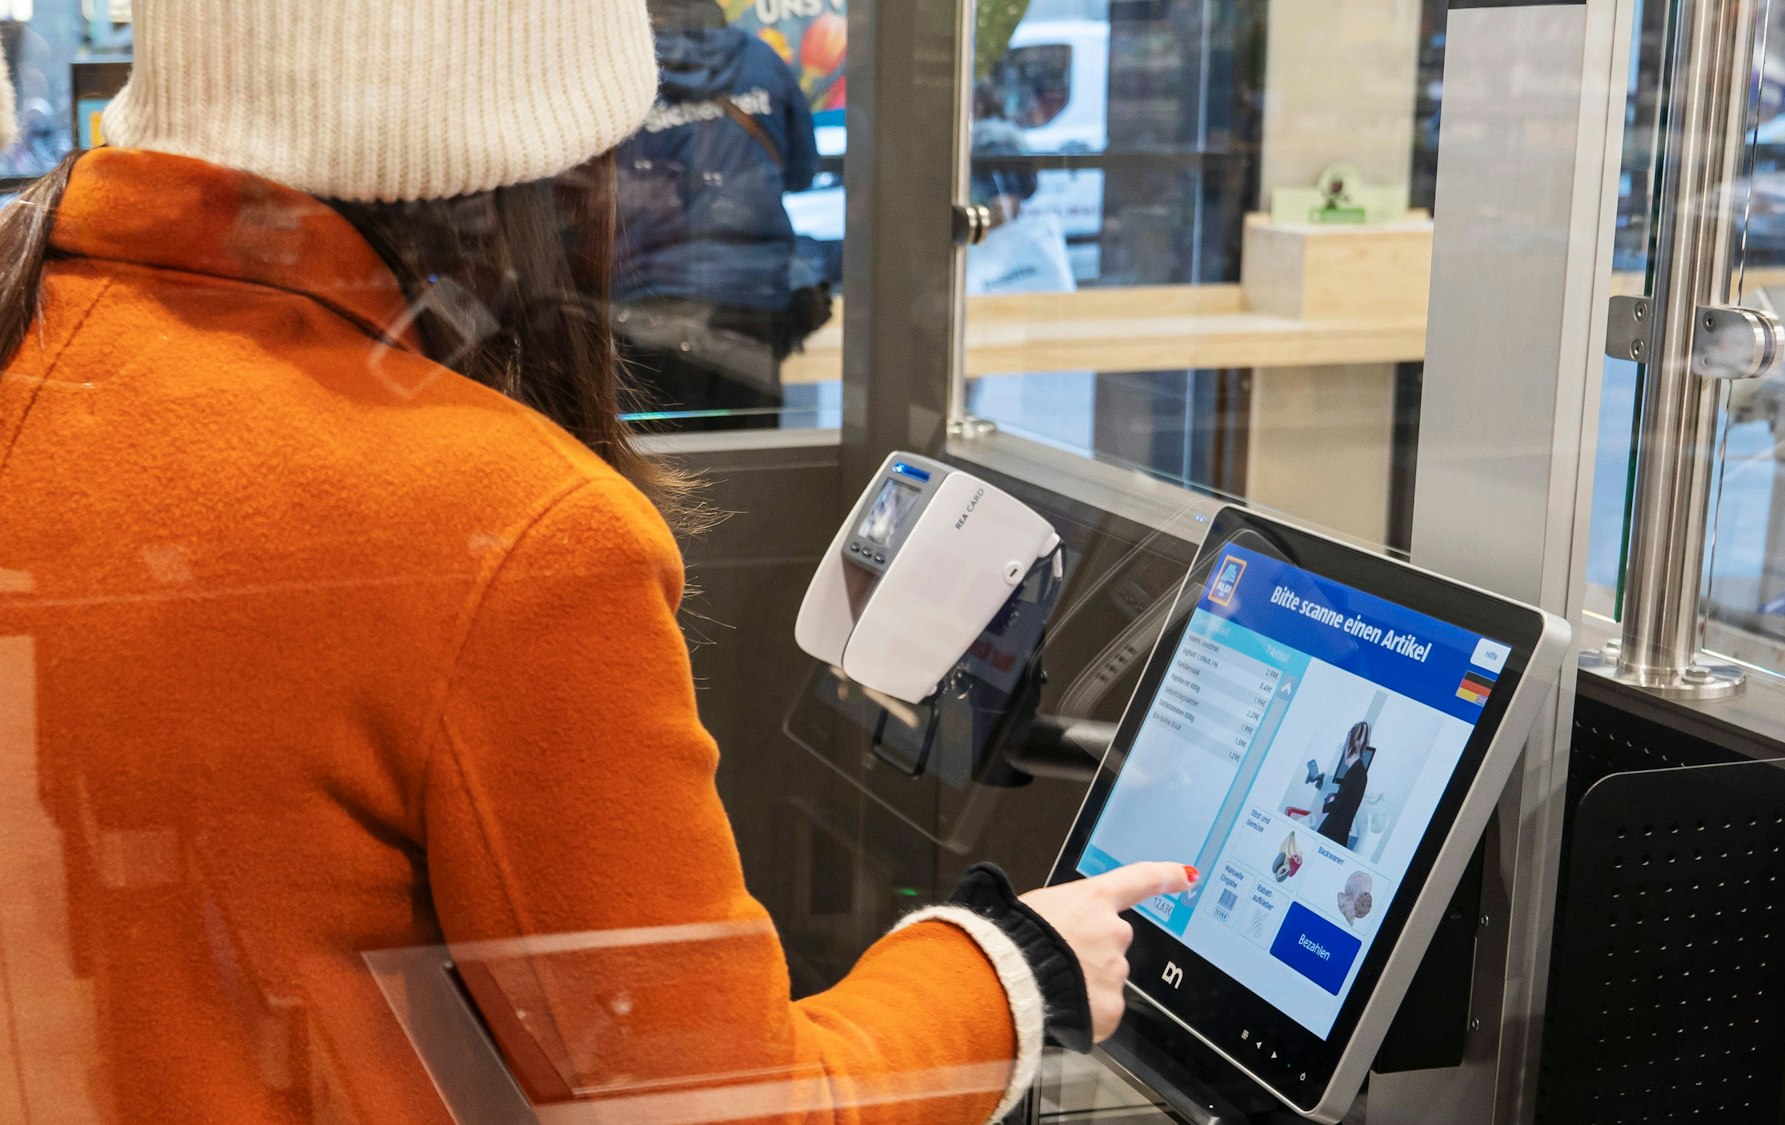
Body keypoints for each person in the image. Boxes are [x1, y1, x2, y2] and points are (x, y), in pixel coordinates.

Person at [0, 2, 1190, 1122]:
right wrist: (1010, 971)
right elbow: (721, 1103)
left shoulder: (38, 336)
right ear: (552, 165)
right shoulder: (501, 524)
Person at [612, 0, 823, 430]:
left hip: (645, 305)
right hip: (752, 301)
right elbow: (801, 173)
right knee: (753, 454)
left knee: (657, 457)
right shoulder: (761, 60)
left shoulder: (620, 71)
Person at [1308, 721, 1374, 846]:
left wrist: (1320, 810)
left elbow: (1338, 803)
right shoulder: (1359, 770)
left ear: (1349, 743)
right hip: (1338, 831)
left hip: (1334, 833)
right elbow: (1344, 798)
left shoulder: (1355, 772)